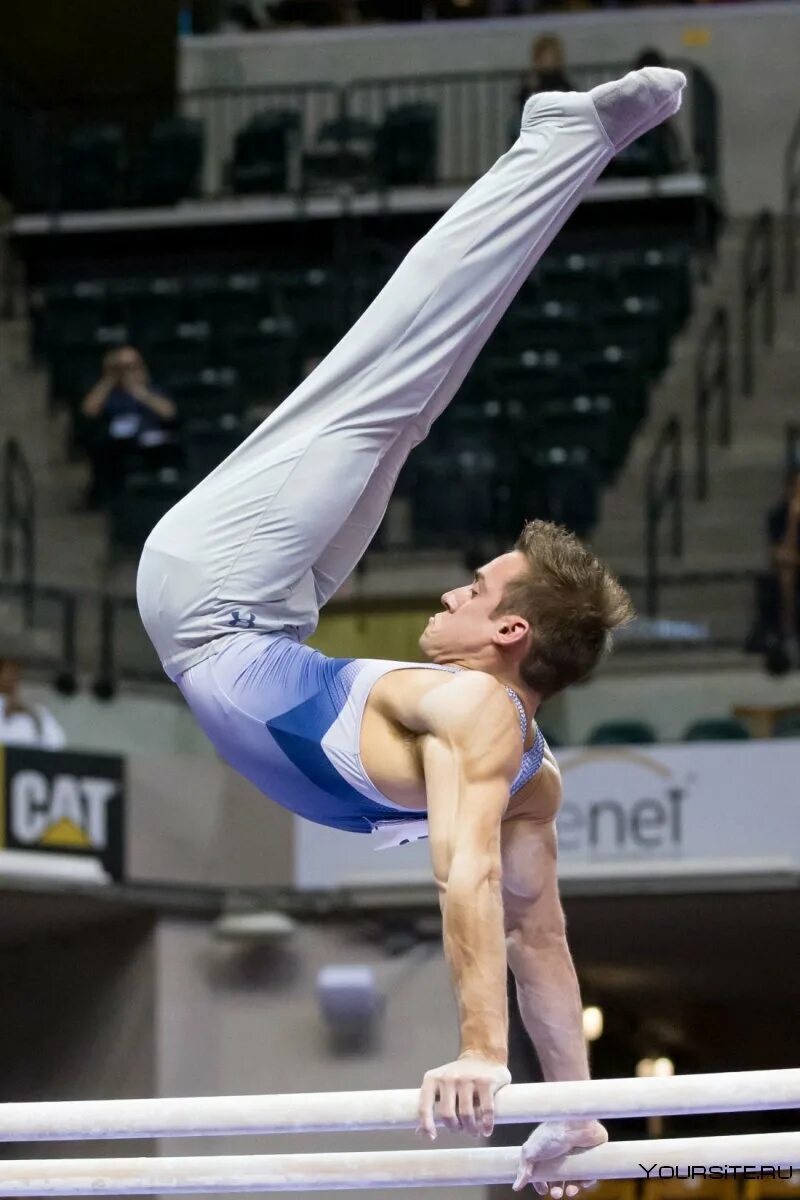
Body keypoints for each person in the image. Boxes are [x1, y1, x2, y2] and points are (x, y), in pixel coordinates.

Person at [137, 68, 685, 1193]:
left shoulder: (480, 722)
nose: (446, 596)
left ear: (510, 635)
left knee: (399, 368)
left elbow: (472, 889)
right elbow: (532, 934)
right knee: (411, 386)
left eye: (475, 591)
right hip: (251, 609)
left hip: (216, 591)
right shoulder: (526, 768)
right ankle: (557, 145)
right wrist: (568, 1103)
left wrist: (498, 1063)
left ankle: (556, 140)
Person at [81, 347, 178, 508]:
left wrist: (140, 392)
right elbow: (89, 410)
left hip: (147, 442)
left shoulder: (151, 388)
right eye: (121, 368)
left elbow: (169, 412)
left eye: (131, 366)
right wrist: (109, 379)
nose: (126, 372)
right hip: (115, 445)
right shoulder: (110, 392)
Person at [0, 656, 66, 750]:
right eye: (7, 673)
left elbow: (57, 743)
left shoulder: (36, 712)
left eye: (15, 674)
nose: (11, 679)